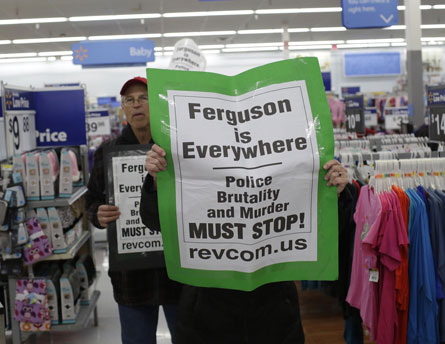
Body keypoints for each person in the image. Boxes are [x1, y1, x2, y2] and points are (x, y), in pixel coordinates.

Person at [141, 143, 351, 344]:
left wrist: (334, 195)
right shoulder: (193, 157)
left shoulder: (284, 158)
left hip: (274, 311)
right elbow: (155, 221)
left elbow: (326, 231)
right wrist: (159, 183)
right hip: (206, 311)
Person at [85, 77, 182, 344]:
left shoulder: (175, 149)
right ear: (124, 109)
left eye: (143, 98)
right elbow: (91, 200)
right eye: (130, 100)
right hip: (131, 278)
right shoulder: (107, 152)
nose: (136, 104)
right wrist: (97, 214)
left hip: (176, 272)